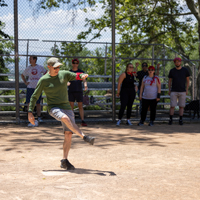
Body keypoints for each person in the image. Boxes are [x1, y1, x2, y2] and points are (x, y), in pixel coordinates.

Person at [28, 57, 95, 170]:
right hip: (54, 108)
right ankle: (84, 137)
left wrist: (82, 76)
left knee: (68, 134)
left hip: (66, 107)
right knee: (65, 118)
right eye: (55, 67)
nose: (58, 69)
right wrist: (30, 112)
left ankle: (64, 160)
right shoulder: (44, 80)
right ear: (49, 67)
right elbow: (34, 96)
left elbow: (75, 76)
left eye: (59, 67)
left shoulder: (63, 74)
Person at [21, 56, 47, 126]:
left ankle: (38, 117)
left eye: (31, 59)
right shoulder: (28, 68)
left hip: (38, 87)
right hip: (30, 87)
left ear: (35, 60)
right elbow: (22, 75)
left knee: (38, 103)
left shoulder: (40, 67)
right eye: (29, 59)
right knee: (29, 102)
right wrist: (25, 82)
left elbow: (46, 73)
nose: (29, 60)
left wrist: (43, 81)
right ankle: (29, 117)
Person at [168, 57, 190, 125]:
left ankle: (180, 119)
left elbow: (188, 81)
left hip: (182, 91)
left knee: (181, 106)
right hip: (174, 91)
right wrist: (169, 90)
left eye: (178, 61)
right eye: (176, 62)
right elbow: (169, 81)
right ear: (174, 63)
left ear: (180, 62)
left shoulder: (185, 70)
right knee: (172, 106)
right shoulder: (172, 71)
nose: (177, 63)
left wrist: (186, 90)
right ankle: (171, 119)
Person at [68, 58, 88, 126]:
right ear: (72, 64)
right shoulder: (69, 72)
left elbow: (84, 80)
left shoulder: (81, 72)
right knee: (71, 107)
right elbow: (66, 80)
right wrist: (67, 83)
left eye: (76, 63)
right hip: (71, 91)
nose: (75, 64)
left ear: (78, 64)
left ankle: (82, 120)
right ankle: (71, 121)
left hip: (79, 91)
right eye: (74, 63)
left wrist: (85, 86)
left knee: (80, 106)